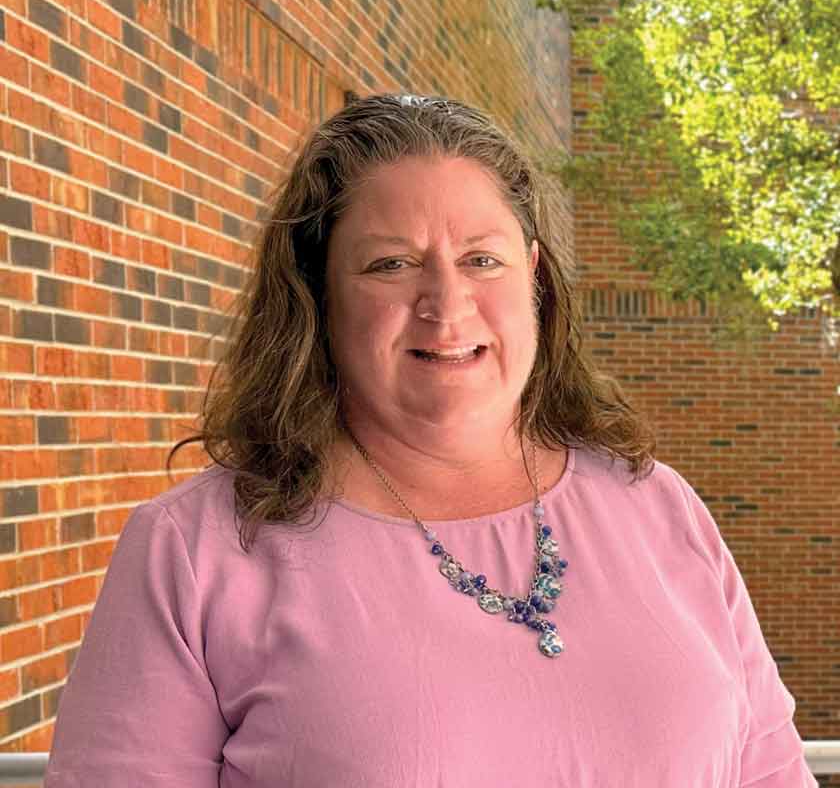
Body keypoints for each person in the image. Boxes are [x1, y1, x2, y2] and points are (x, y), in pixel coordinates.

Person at [43, 93, 816, 787]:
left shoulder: (657, 507)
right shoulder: (198, 551)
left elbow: (771, 771)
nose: (447, 305)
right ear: (316, 296)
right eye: (391, 264)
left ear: (536, 280)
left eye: (482, 259)